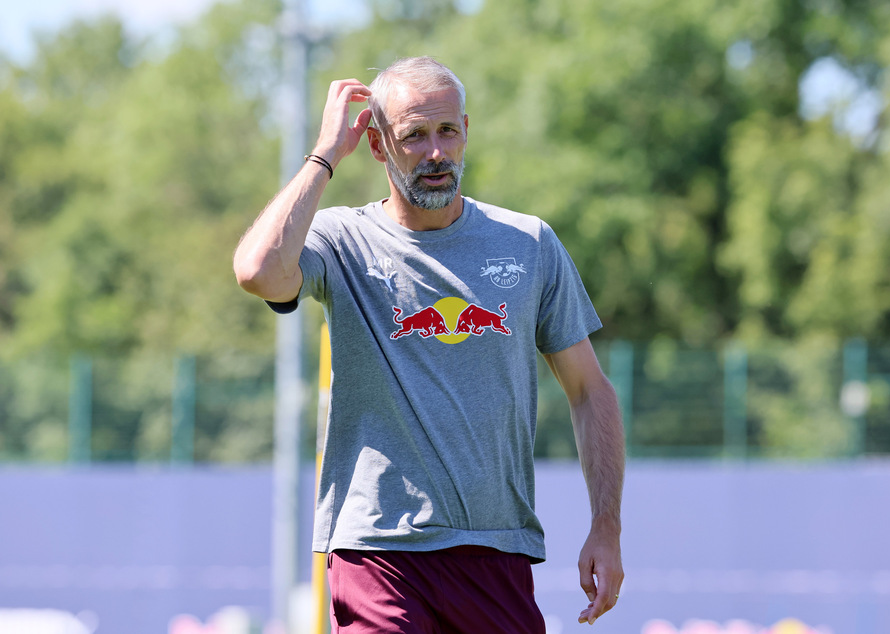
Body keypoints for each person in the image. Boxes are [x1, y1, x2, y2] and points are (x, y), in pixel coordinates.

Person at [233, 56, 624, 631]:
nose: (435, 152)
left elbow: (590, 391)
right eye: (413, 136)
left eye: (447, 131)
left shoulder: (528, 243)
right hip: (378, 550)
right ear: (377, 145)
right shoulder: (343, 239)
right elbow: (258, 270)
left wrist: (606, 527)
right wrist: (323, 155)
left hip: (497, 550)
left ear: (466, 131)